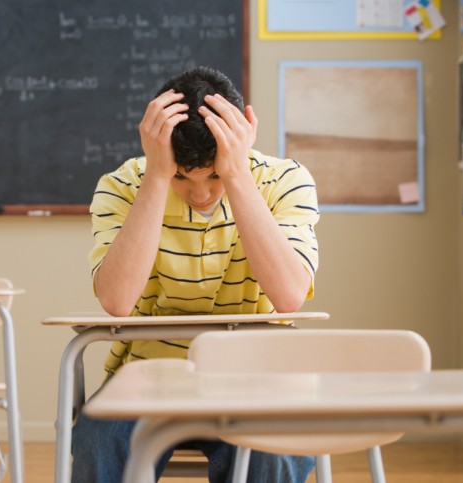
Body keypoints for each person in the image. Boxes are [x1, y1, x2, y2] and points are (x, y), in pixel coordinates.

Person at [74, 66, 319, 483]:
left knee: (274, 451)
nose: (201, 194)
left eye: (216, 175)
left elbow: (290, 295)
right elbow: (116, 302)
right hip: (149, 378)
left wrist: (238, 175)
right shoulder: (122, 185)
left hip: (257, 377)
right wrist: (157, 176)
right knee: (97, 441)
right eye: (183, 178)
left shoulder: (285, 180)